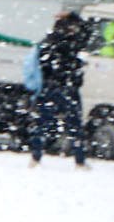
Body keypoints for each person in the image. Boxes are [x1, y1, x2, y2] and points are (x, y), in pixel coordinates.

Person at [30, 11, 91, 168]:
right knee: (74, 125)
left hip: (50, 87)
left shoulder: (49, 41)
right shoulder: (69, 43)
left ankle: (36, 157)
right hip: (66, 87)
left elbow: (44, 64)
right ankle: (80, 160)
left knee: (44, 124)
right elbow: (87, 33)